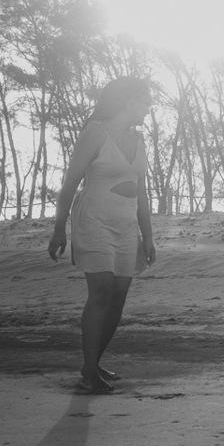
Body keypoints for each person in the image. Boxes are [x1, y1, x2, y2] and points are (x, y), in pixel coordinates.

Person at [48, 76, 156, 393]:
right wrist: (58, 229)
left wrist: (147, 236)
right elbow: (69, 186)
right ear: (129, 100)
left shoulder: (140, 142)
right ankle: (89, 372)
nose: (149, 109)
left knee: (119, 296)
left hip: (126, 225)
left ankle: (94, 363)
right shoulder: (95, 133)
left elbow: (143, 194)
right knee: (102, 291)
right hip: (94, 219)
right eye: (146, 102)